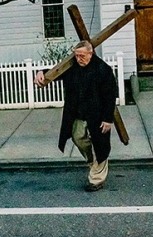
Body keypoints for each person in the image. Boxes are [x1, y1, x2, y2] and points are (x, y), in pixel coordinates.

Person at [34, 40, 117, 192]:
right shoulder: (72, 68)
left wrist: (107, 119)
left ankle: (96, 180)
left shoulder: (103, 70)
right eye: (77, 56)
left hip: (97, 116)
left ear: (90, 53)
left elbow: (110, 95)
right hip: (78, 114)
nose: (79, 59)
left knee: (101, 146)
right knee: (78, 137)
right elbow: (55, 72)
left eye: (82, 56)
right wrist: (41, 72)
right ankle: (93, 161)